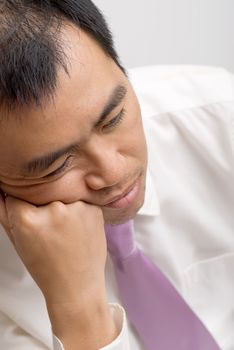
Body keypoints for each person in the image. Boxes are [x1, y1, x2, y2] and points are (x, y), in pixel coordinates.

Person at [0, 1, 233, 349]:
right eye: (56, 165)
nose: (113, 172)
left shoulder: (219, 117)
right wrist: (78, 312)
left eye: (112, 119)